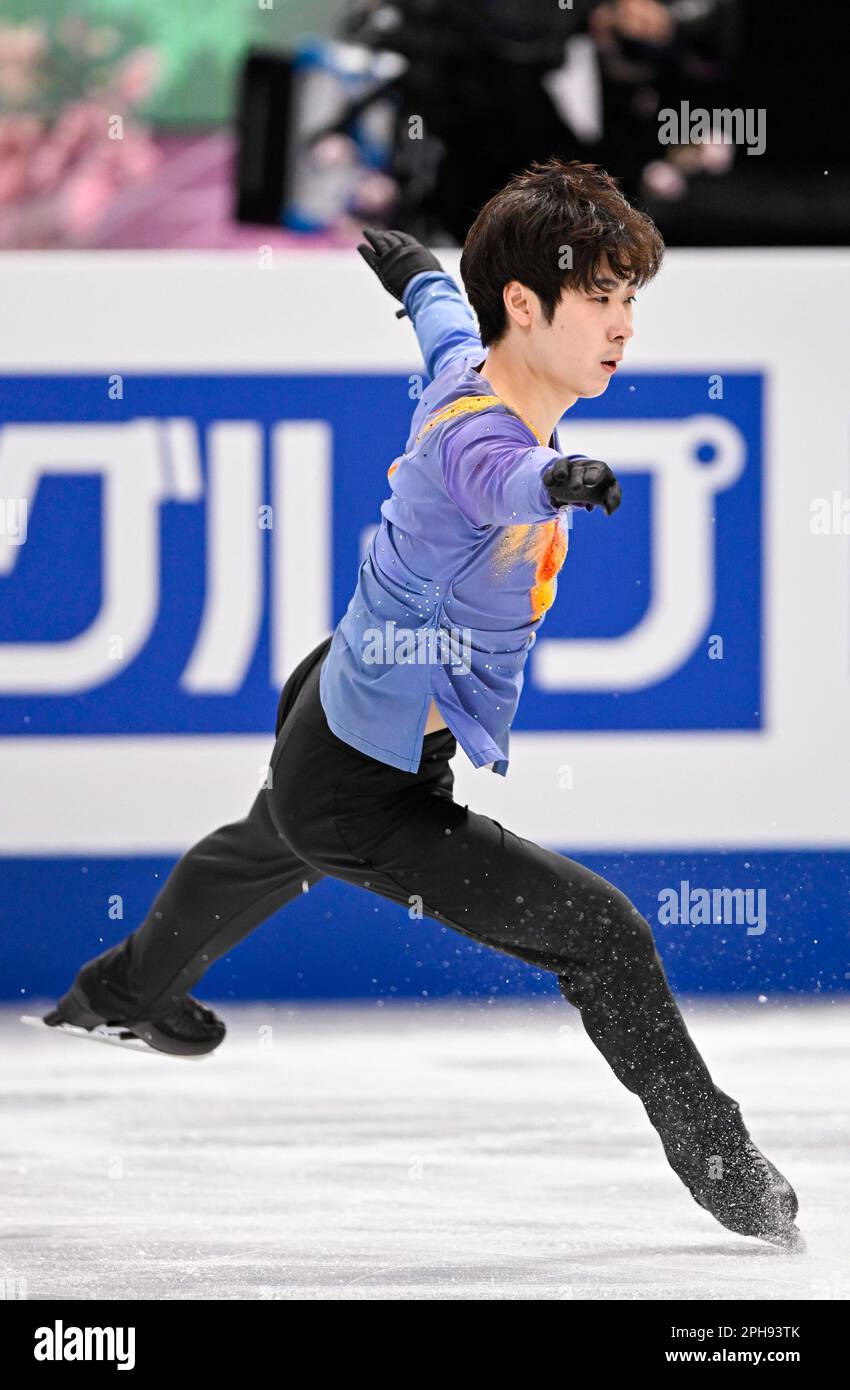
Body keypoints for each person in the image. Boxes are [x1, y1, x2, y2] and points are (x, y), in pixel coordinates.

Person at [45, 157, 802, 1249]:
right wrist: (560, 479)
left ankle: (118, 991)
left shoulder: (469, 360)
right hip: (366, 782)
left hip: (341, 705)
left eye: (629, 298)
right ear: (526, 305)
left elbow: (443, 319)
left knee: (271, 838)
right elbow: (494, 475)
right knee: (605, 936)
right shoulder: (482, 438)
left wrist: (414, 274)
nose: (622, 324)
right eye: (598, 298)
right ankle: (732, 1178)